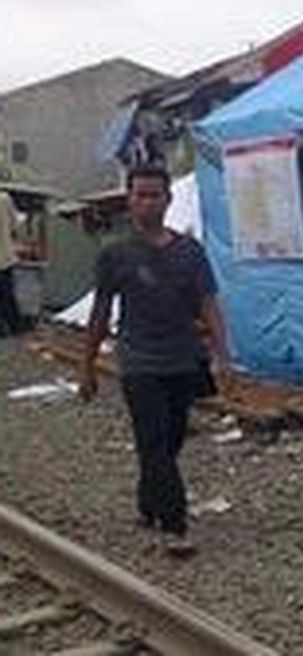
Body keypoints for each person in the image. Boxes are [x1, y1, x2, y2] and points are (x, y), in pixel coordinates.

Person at [81, 165, 231, 557]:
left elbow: (208, 304)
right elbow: (100, 311)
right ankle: (175, 522)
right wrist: (88, 365)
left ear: (168, 200)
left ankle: (149, 505)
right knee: (153, 439)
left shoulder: (189, 252)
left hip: (183, 361)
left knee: (171, 439)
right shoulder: (115, 255)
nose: (147, 203)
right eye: (139, 195)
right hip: (139, 361)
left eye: (155, 195)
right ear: (129, 200)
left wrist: (223, 356)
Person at [0, 188, 20, 336]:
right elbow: (15, 227)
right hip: (4, 257)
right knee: (8, 294)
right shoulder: (5, 198)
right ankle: (14, 326)